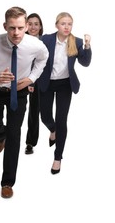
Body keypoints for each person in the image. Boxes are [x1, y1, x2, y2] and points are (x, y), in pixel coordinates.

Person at [0, 6, 49, 198]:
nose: (16, 33)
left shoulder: (35, 45)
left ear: (26, 26)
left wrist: (32, 78)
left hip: (19, 92)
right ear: (5, 26)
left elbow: (44, 58)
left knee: (15, 133)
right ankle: (0, 136)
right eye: (11, 28)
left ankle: (7, 182)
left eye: (20, 27)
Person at [38, 12, 92, 175]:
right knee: (45, 116)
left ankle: (58, 157)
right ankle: (52, 130)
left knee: (62, 120)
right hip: (46, 82)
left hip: (65, 85)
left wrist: (88, 46)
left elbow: (85, 63)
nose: (66, 27)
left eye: (69, 24)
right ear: (56, 25)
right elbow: (36, 60)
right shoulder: (46, 39)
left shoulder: (77, 41)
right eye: (63, 24)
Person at [24, 13, 44, 155]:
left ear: (40, 26)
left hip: (36, 80)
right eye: (30, 24)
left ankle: (30, 142)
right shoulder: (19, 40)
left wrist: (33, 80)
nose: (33, 27)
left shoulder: (44, 42)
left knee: (34, 110)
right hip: (19, 78)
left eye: (36, 24)